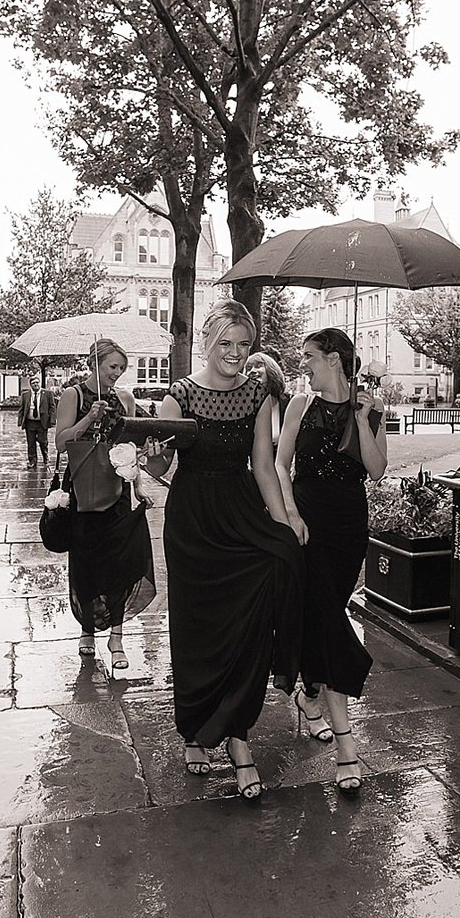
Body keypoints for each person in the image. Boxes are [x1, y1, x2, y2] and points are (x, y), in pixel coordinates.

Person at [144, 300, 303, 800]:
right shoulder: (180, 396)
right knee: (197, 628)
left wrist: (283, 521)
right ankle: (195, 729)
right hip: (193, 522)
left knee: (249, 622)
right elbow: (156, 467)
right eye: (224, 344)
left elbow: (263, 464)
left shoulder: (258, 394)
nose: (234, 353)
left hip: (239, 515)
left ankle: (237, 736)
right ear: (207, 344)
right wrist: (138, 456)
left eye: (243, 344)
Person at [274, 328, 387, 797]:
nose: (306, 366)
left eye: (311, 358)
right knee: (327, 622)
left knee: (323, 615)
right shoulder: (300, 406)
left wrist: (361, 421)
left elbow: (377, 470)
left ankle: (311, 696)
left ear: (336, 360)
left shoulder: (371, 408)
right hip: (306, 525)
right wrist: (292, 513)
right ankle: (346, 747)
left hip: (347, 528)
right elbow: (281, 466)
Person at [53, 339, 157, 670]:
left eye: (121, 368)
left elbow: (130, 447)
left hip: (116, 488)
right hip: (82, 488)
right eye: (112, 366)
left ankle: (116, 637)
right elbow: (60, 443)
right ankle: (87, 631)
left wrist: (139, 485)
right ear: (94, 364)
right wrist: (89, 419)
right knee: (85, 561)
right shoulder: (74, 395)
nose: (117, 373)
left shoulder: (124, 398)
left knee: (119, 562)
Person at [245, 352, 290, 443]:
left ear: (271, 370)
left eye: (258, 366)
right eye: (248, 368)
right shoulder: (241, 406)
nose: (252, 371)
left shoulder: (289, 403)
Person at [17, 374, 54, 468]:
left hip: (42, 422)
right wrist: (20, 420)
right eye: (33, 383)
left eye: (37, 382)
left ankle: (45, 458)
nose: (36, 384)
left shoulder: (48, 393)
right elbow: (22, 408)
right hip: (30, 422)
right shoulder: (25, 395)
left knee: (43, 441)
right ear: (30, 385)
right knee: (31, 442)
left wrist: (52, 420)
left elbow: (52, 408)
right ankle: (32, 461)